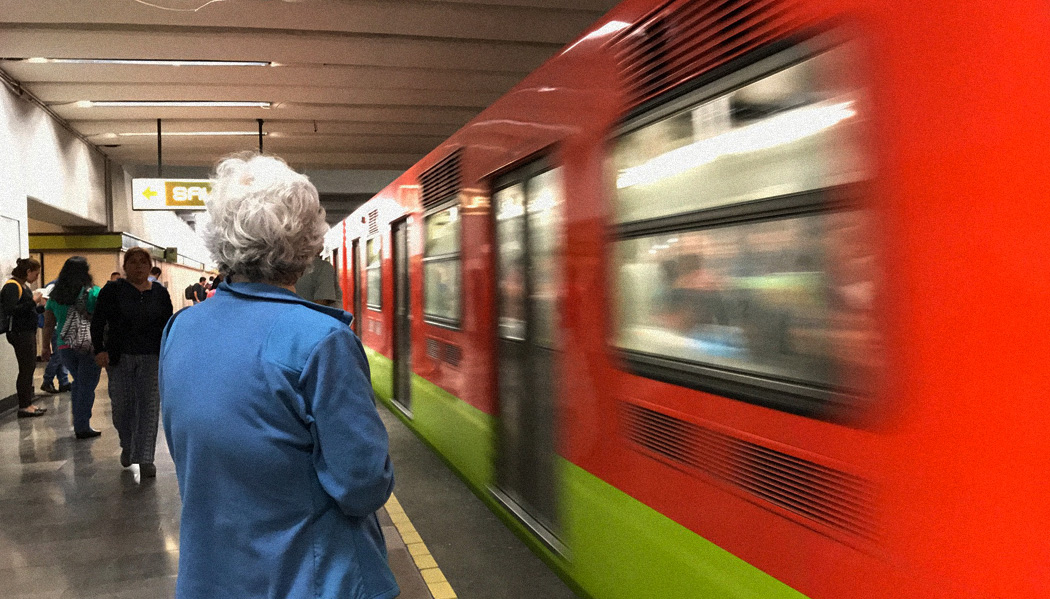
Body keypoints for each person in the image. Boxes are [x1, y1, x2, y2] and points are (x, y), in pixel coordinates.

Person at [160, 153, 397, 599]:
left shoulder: (181, 329)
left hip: (211, 576)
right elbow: (361, 485)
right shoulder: (322, 340)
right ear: (308, 242)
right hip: (313, 578)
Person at [93, 248, 173, 477]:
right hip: (120, 356)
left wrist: (169, 352)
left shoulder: (159, 293)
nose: (138, 266)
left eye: (143, 262)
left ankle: (145, 458)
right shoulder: (113, 290)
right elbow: (98, 321)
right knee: (122, 407)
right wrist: (99, 349)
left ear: (150, 267)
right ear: (125, 266)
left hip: (151, 356)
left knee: (149, 406)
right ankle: (128, 445)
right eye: (133, 262)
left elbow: (167, 325)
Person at [43, 257, 103, 438]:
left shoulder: (55, 295)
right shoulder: (93, 293)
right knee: (86, 385)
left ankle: (79, 422)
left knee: (78, 382)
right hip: (88, 344)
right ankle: (82, 425)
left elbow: (48, 324)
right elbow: (102, 319)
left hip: (64, 346)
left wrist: (45, 346)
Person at [2, 258, 47, 417]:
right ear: (28, 271)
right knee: (26, 369)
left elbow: (26, 311)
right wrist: (33, 302)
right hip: (19, 333)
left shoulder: (22, 286)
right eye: (36, 273)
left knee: (29, 368)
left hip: (26, 331)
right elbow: (11, 310)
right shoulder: (12, 286)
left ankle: (27, 403)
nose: (36, 277)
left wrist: (40, 307)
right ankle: (24, 406)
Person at [36, 280, 71, 394]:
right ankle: (47, 380)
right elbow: (46, 304)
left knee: (61, 356)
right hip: (57, 327)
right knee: (59, 356)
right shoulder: (54, 287)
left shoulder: (62, 286)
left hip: (61, 326)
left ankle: (63, 382)